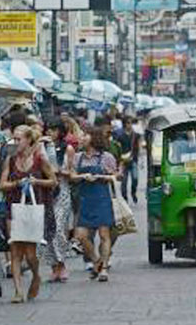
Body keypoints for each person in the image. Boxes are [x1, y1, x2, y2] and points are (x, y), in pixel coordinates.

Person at [0, 125, 57, 303]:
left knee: (31, 254)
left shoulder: (40, 159)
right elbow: (2, 184)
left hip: (33, 207)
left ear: (28, 140)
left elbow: (53, 181)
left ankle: (36, 276)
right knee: (15, 250)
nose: (15, 142)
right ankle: (18, 291)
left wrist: (36, 181)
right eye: (13, 139)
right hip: (14, 208)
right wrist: (17, 183)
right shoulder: (10, 159)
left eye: (19, 139)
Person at [70, 128, 118, 282]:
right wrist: (82, 176)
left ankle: (103, 269)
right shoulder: (78, 157)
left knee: (104, 235)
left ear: (93, 138)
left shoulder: (106, 157)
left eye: (85, 135)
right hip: (85, 200)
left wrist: (100, 176)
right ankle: (97, 261)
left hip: (102, 199)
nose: (82, 138)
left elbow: (115, 176)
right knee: (81, 236)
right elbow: (72, 176)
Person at [43, 119, 75, 282]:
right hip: (46, 192)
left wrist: (60, 172)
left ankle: (62, 263)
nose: (50, 133)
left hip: (61, 192)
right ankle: (54, 267)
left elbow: (72, 173)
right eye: (49, 129)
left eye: (54, 130)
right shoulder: (41, 148)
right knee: (48, 230)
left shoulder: (68, 149)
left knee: (60, 228)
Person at [117, 117, 140, 203]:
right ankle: (125, 198)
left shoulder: (136, 135)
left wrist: (139, 158)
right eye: (127, 123)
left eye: (130, 123)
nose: (129, 125)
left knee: (135, 178)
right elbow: (118, 148)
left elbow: (139, 147)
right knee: (124, 182)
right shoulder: (120, 136)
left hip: (133, 160)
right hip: (124, 161)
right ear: (124, 124)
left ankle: (133, 192)